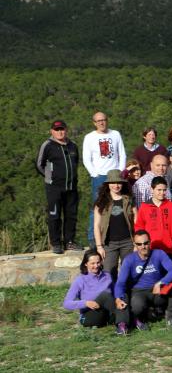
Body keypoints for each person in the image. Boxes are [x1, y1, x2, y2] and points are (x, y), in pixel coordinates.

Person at [113, 231, 172, 331]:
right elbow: (120, 283)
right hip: (139, 292)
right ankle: (141, 318)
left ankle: (171, 317)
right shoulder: (129, 260)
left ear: (150, 242)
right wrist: (118, 298)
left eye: (146, 243)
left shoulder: (159, 253)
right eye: (139, 244)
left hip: (157, 290)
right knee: (137, 307)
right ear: (135, 245)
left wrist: (161, 282)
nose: (143, 246)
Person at [81, 112, 127, 245]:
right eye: (98, 121)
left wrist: (120, 172)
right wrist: (94, 173)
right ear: (94, 123)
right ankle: (93, 239)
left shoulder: (115, 134)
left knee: (117, 205)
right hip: (99, 176)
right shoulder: (89, 137)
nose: (102, 122)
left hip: (115, 176)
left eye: (104, 120)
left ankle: (115, 235)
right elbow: (86, 158)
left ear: (107, 120)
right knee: (98, 206)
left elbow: (122, 154)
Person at [37, 120, 81, 254]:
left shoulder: (73, 145)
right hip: (54, 188)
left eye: (62, 129)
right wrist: (50, 178)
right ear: (52, 131)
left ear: (66, 130)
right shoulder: (48, 145)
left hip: (71, 187)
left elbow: (76, 162)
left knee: (71, 216)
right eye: (57, 130)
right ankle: (56, 243)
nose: (60, 132)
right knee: (54, 215)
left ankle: (69, 242)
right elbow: (40, 164)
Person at [64, 250, 123, 330]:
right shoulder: (80, 280)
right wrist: (86, 303)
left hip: (106, 312)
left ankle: (121, 320)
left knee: (122, 295)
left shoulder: (107, 276)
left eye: (98, 262)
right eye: (92, 263)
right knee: (104, 295)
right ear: (86, 264)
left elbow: (115, 294)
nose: (96, 266)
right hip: (89, 314)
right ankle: (124, 319)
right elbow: (67, 303)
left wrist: (119, 299)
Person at [92, 170, 135, 276]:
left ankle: (126, 292)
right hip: (109, 244)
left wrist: (136, 243)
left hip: (128, 242)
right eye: (113, 182)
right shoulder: (101, 202)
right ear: (108, 184)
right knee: (108, 273)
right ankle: (111, 293)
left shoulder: (129, 200)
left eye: (119, 182)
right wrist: (99, 246)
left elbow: (136, 221)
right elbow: (96, 226)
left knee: (129, 272)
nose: (116, 185)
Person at [134, 176, 172, 257]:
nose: (162, 193)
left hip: (169, 248)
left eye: (164, 190)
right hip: (151, 248)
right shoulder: (144, 207)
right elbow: (139, 227)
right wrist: (142, 243)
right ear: (152, 189)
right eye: (159, 190)